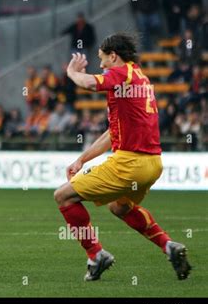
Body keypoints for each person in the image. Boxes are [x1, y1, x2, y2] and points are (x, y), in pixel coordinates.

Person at [53, 33, 191, 281]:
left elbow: (90, 83)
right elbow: (111, 133)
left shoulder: (122, 73)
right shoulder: (140, 78)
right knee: (119, 206)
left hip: (129, 163)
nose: (101, 65)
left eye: (102, 59)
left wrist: (71, 72)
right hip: (152, 163)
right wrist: (83, 159)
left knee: (63, 197)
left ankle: (95, 255)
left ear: (113, 56)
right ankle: (168, 245)